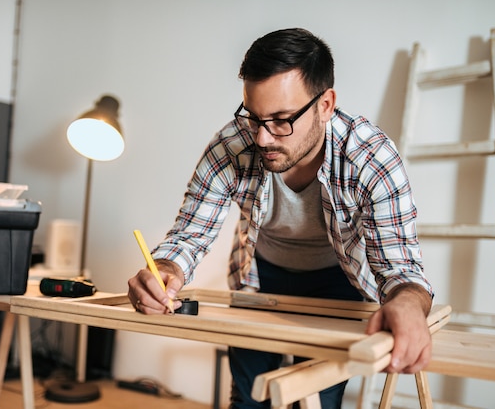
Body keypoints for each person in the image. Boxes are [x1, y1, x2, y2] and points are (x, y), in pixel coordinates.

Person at [127, 27, 434, 409]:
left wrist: (407, 304)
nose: (263, 139)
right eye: (254, 118)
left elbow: (402, 270)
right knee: (250, 400)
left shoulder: (372, 158)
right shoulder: (231, 147)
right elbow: (188, 237)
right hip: (261, 277)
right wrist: (163, 269)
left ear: (325, 105)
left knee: (319, 399)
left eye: (281, 119)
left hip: (338, 281)